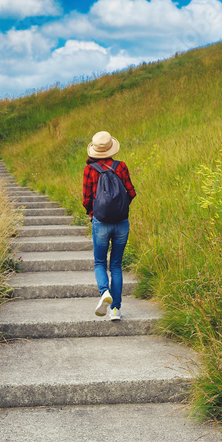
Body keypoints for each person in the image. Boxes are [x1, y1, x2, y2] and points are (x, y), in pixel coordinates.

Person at [82, 130, 136, 321]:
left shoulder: (89, 170)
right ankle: (115, 310)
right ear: (111, 149)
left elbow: (87, 199)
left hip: (101, 223)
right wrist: (120, 208)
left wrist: (93, 213)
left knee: (99, 262)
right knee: (116, 265)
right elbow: (131, 192)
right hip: (121, 223)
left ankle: (104, 292)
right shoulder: (121, 167)